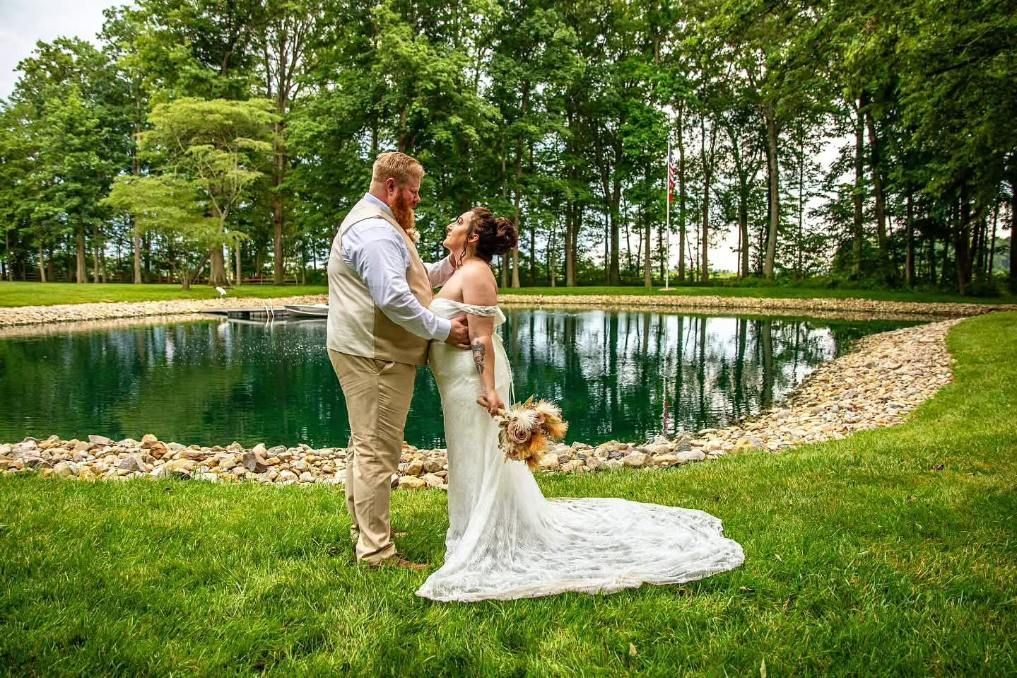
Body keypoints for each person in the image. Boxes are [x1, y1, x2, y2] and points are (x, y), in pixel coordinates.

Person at [416, 207, 745, 601]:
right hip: (457, 380)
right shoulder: (462, 268)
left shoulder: (475, 274)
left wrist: (489, 389)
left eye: (458, 222)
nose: (450, 223)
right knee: (470, 454)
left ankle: (483, 530)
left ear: (471, 238)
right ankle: (472, 524)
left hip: (474, 382)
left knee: (481, 455)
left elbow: (482, 338)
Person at [326, 151, 470, 570]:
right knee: (376, 452)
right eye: (414, 191)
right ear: (392, 187)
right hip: (376, 356)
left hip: (364, 349)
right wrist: (444, 330)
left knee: (363, 444)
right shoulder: (375, 231)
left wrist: (448, 267)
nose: (418, 199)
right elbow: (393, 298)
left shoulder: (380, 226)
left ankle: (366, 529)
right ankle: (376, 552)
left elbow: (408, 276)